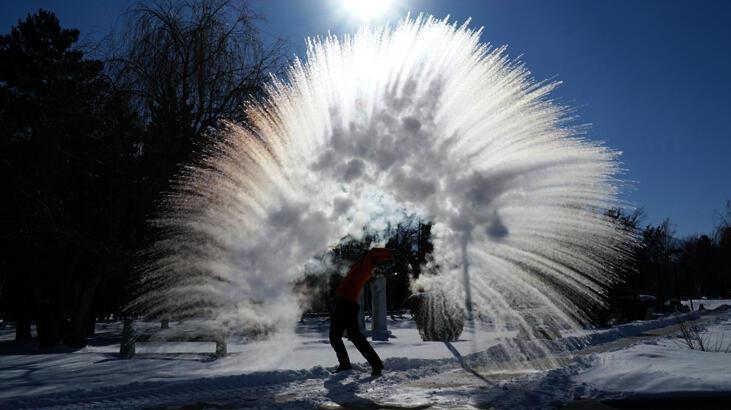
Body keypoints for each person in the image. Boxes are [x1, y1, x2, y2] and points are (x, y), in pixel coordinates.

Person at [329, 247, 394, 376]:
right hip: (346, 304)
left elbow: (373, 252)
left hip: (345, 305)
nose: (362, 254)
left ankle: (347, 364)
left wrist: (389, 253)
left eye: (365, 254)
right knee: (353, 337)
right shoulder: (360, 266)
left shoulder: (365, 266)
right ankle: (374, 364)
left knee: (337, 337)